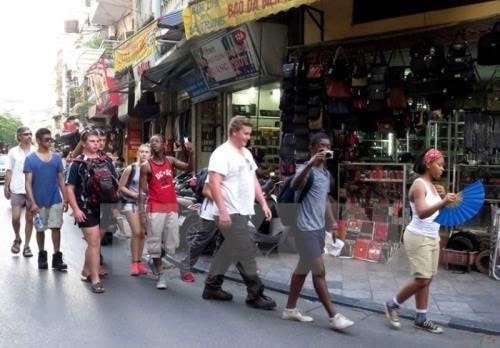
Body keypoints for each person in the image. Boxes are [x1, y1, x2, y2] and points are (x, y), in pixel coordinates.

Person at [202, 116, 276, 310]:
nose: (248, 138)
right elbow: (213, 184)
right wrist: (223, 211)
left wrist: (263, 202)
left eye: (249, 134)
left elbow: (253, 180)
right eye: (245, 134)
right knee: (245, 251)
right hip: (229, 211)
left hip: (243, 210)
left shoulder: (246, 154)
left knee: (228, 250)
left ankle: (211, 287)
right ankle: (255, 293)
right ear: (234, 132)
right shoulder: (221, 154)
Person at [282, 132, 354, 330]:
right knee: (319, 271)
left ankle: (289, 309)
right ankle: (334, 315)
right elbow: (296, 185)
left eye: (327, 146)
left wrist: (333, 224)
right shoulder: (306, 169)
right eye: (320, 146)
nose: (324, 149)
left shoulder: (326, 175)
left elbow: (324, 201)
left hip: (318, 229)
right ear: (313, 148)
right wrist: (311, 163)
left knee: (303, 269)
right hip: (304, 228)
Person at [384, 148, 456, 334]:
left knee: (427, 280)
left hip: (432, 236)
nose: (442, 169)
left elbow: (436, 214)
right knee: (422, 280)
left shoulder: (433, 186)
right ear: (427, 164)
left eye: (443, 166)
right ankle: (392, 304)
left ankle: (421, 317)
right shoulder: (418, 185)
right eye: (439, 165)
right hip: (418, 236)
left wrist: (441, 198)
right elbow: (423, 213)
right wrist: (442, 202)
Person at [65, 128, 118, 293]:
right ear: (83, 143)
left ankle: (86, 270)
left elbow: (113, 186)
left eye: (98, 141)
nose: (96, 144)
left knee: (96, 242)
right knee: (94, 241)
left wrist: (115, 208)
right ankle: (95, 279)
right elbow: (69, 188)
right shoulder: (77, 163)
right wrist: (75, 209)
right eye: (92, 141)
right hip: (85, 207)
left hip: (105, 206)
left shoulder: (106, 161)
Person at [138, 134, 194, 289]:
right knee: (155, 243)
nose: (154, 144)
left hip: (171, 207)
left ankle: (154, 259)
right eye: (151, 142)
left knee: (172, 244)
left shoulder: (171, 161)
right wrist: (142, 213)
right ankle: (161, 275)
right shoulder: (146, 166)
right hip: (155, 208)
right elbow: (142, 192)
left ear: (164, 145)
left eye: (157, 141)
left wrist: (191, 153)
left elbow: (190, 168)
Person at [24, 128, 68, 270]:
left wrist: (65, 199)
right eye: (46, 139)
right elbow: (28, 183)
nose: (49, 142)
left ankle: (57, 257)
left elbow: (61, 180)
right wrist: (32, 202)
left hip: (55, 199)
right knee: (40, 229)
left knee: (56, 227)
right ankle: (42, 255)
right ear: (38, 140)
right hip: (38, 202)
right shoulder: (30, 159)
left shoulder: (56, 158)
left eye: (51, 139)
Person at [118, 144, 151, 276]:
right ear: (138, 153)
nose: (144, 154)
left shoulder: (152, 168)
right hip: (131, 203)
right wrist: (134, 195)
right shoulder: (130, 168)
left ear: (150, 154)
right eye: (142, 152)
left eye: (146, 152)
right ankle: (134, 263)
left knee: (142, 234)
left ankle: (139, 262)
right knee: (136, 232)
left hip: (146, 205)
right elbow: (121, 187)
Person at [4, 127, 34, 257]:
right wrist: (6, 187)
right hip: (16, 189)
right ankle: (17, 238)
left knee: (29, 219)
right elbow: (9, 170)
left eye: (30, 134)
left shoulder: (35, 151)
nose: (28, 136)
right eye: (25, 134)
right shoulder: (12, 152)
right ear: (19, 136)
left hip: (32, 190)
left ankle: (27, 246)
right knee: (15, 218)